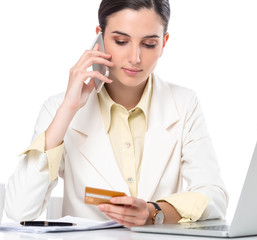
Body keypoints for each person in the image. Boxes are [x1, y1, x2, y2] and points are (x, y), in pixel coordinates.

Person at [5, 0, 228, 228]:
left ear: (164, 44)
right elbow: (18, 211)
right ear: (99, 38)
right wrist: (67, 110)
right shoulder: (58, 109)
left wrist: (154, 212)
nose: (135, 57)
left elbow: (214, 197)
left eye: (149, 44)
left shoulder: (184, 103)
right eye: (121, 41)